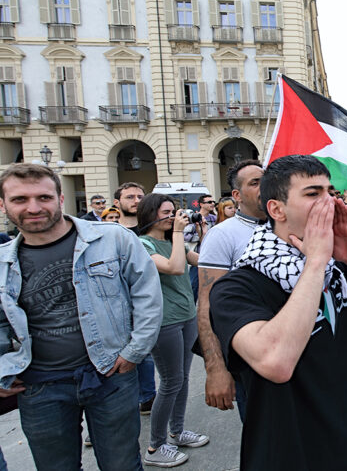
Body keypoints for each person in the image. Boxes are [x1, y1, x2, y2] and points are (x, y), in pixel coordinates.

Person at [208, 155, 347, 470]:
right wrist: (316, 263)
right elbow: (276, 363)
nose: (329, 203)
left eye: (329, 192)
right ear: (277, 209)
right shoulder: (237, 287)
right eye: (312, 194)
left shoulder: (339, 268)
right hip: (290, 453)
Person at [0, 163, 162, 470]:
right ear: (3, 205)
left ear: (61, 199)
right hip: (39, 386)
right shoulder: (2, 261)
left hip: (110, 376)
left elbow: (148, 295)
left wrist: (135, 351)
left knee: (122, 465)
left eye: (43, 198)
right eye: (20, 199)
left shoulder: (113, 238)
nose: (33, 208)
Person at [138, 194, 208, 467]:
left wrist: (202, 233)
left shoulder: (170, 241)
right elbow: (175, 267)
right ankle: (155, 447)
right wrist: (179, 233)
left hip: (186, 315)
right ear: (151, 214)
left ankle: (177, 432)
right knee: (170, 383)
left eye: (174, 212)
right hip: (164, 321)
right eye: (166, 212)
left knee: (182, 379)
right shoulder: (142, 244)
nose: (172, 217)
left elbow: (201, 260)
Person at [197, 159, 265, 421]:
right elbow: (207, 305)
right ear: (236, 195)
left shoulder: (288, 227)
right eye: (254, 182)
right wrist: (215, 368)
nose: (264, 186)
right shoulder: (222, 235)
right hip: (248, 361)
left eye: (266, 180)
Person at [113, 181, 157, 415]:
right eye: (130, 197)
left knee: (144, 350)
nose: (136, 201)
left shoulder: (151, 229)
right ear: (117, 202)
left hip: (146, 300)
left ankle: (148, 397)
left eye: (141, 196)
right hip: (116, 303)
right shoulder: (109, 232)